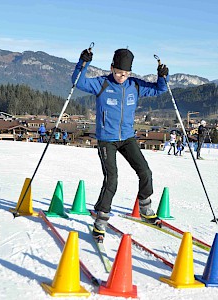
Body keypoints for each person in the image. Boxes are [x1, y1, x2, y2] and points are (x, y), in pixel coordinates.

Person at [72, 47, 169, 242]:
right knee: (112, 179)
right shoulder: (102, 84)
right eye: (117, 73)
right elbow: (78, 82)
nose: (121, 77)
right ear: (111, 68)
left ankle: (145, 207)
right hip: (106, 140)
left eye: (124, 74)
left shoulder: (135, 85)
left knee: (145, 171)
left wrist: (162, 76)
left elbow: (161, 89)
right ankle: (101, 221)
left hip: (127, 137)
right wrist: (84, 62)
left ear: (130, 73)